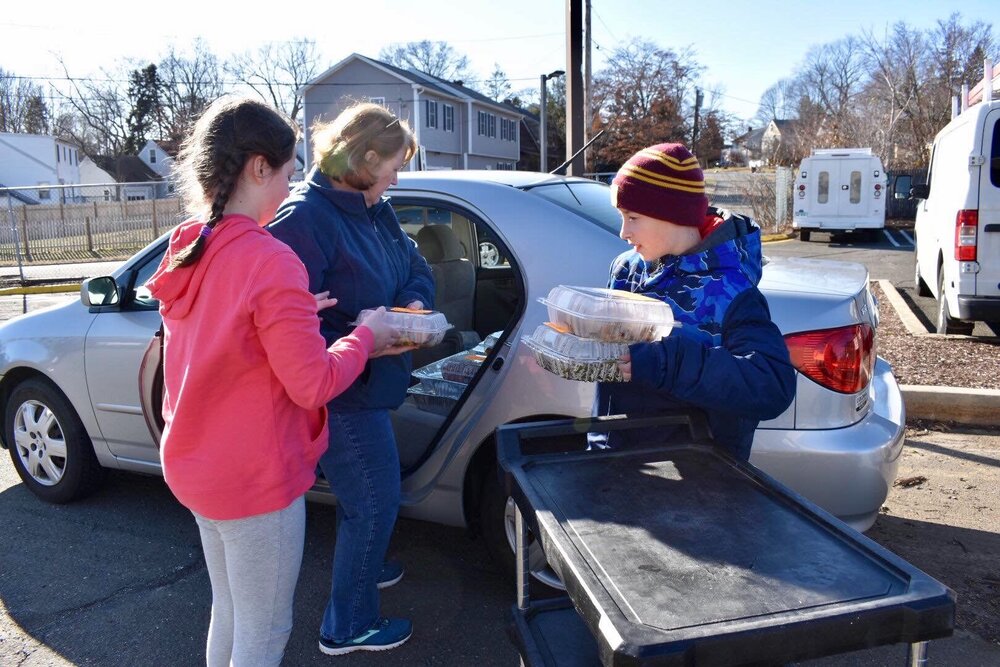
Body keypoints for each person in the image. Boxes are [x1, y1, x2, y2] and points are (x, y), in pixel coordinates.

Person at [145, 97, 406, 667]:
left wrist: (291, 311)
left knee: (231, 613)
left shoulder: (191, 244)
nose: (291, 190)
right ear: (259, 168)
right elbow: (313, 384)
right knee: (263, 634)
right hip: (253, 477)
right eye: (288, 175)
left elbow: (227, 336)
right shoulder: (270, 258)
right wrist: (368, 335)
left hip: (194, 466)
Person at [268, 102, 434, 655]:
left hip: (372, 380)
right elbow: (287, 326)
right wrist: (361, 335)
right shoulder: (303, 220)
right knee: (376, 501)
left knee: (364, 498)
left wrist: (412, 303)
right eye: (393, 164)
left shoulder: (372, 204)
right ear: (364, 158)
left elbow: (415, 266)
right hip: (340, 394)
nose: (397, 176)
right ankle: (348, 626)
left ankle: (363, 568)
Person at [591, 142, 796, 461]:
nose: (623, 233)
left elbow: (770, 386)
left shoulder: (732, 290)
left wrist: (665, 362)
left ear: (671, 214)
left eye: (632, 217)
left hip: (700, 483)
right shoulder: (626, 269)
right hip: (614, 459)